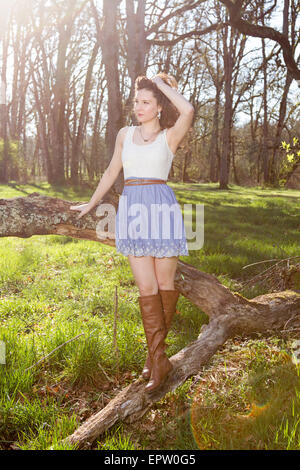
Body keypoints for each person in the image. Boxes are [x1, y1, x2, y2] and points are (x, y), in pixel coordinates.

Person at [70, 73, 194, 392]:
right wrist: (90, 203)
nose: (138, 106)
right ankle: (158, 360)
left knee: (165, 284)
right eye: (136, 100)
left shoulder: (170, 135)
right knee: (146, 287)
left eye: (146, 102)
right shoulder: (125, 134)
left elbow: (189, 110)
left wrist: (162, 85)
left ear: (158, 108)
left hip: (162, 211)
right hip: (133, 210)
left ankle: (156, 361)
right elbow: (113, 170)